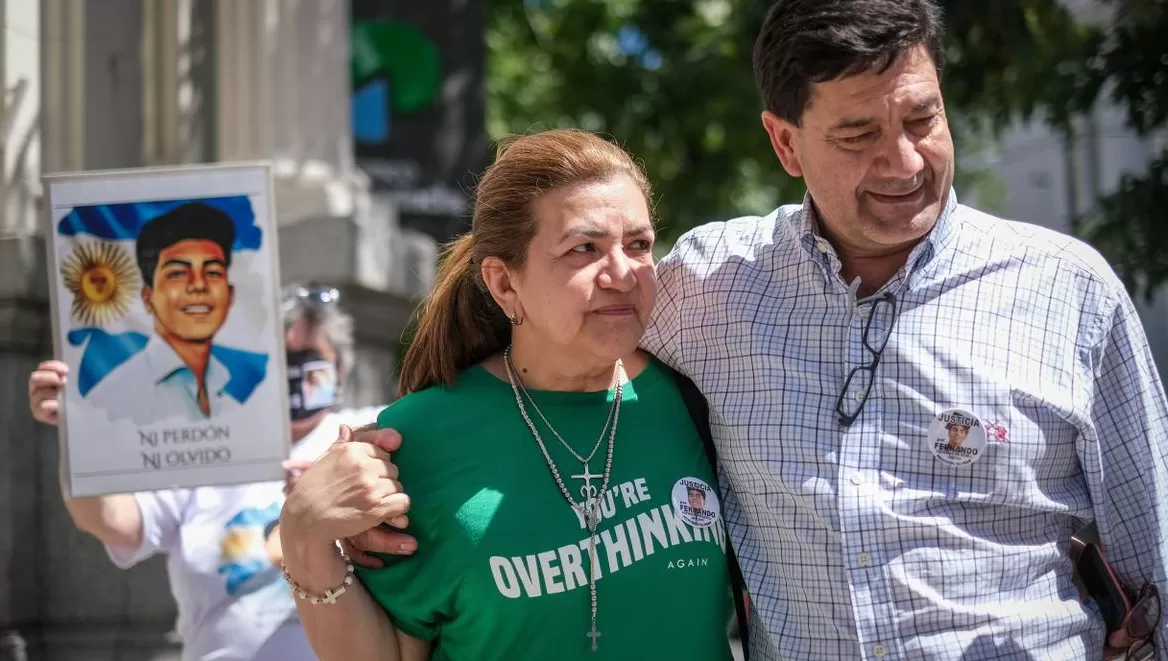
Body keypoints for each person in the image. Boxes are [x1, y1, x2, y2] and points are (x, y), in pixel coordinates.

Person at [342, 0, 1168, 658]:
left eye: (921, 119)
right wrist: (374, 462)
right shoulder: (709, 285)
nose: (905, 161)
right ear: (784, 142)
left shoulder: (1070, 292)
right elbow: (561, 332)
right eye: (858, 134)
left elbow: (1155, 563)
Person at [278, 129, 735, 661]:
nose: (622, 274)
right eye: (583, 248)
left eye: (638, 245)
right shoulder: (419, 439)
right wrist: (304, 537)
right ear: (503, 283)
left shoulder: (698, 393)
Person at [27, 283, 386, 661]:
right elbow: (111, 522)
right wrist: (78, 430)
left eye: (309, 356)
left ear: (341, 369)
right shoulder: (203, 447)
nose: (295, 372)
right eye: (281, 357)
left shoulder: (370, 434)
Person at [84, 202, 266, 424]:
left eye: (212, 272)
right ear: (148, 298)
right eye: (178, 273)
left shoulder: (233, 404)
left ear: (230, 295)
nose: (198, 285)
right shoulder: (110, 403)